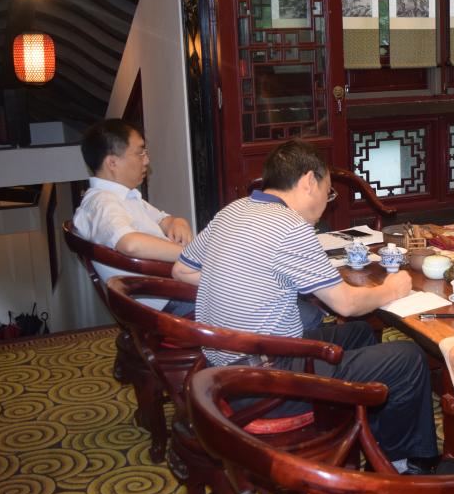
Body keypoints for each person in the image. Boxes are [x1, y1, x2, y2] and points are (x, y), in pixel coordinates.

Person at [172, 139, 438, 473]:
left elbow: (181, 270)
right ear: (309, 181)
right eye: (329, 192)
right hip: (266, 384)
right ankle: (401, 465)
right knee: (408, 358)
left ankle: (372, 437)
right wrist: (391, 289)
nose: (327, 203)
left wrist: (246, 278)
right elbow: (346, 304)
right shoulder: (289, 227)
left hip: (221, 370)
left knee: (358, 334)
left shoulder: (233, 210)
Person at [73, 119, 193, 311]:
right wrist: (192, 255)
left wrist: (177, 222)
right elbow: (130, 243)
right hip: (171, 300)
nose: (146, 160)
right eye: (140, 153)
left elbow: (163, 220)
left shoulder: (125, 196)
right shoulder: (101, 203)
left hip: (176, 289)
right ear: (112, 163)